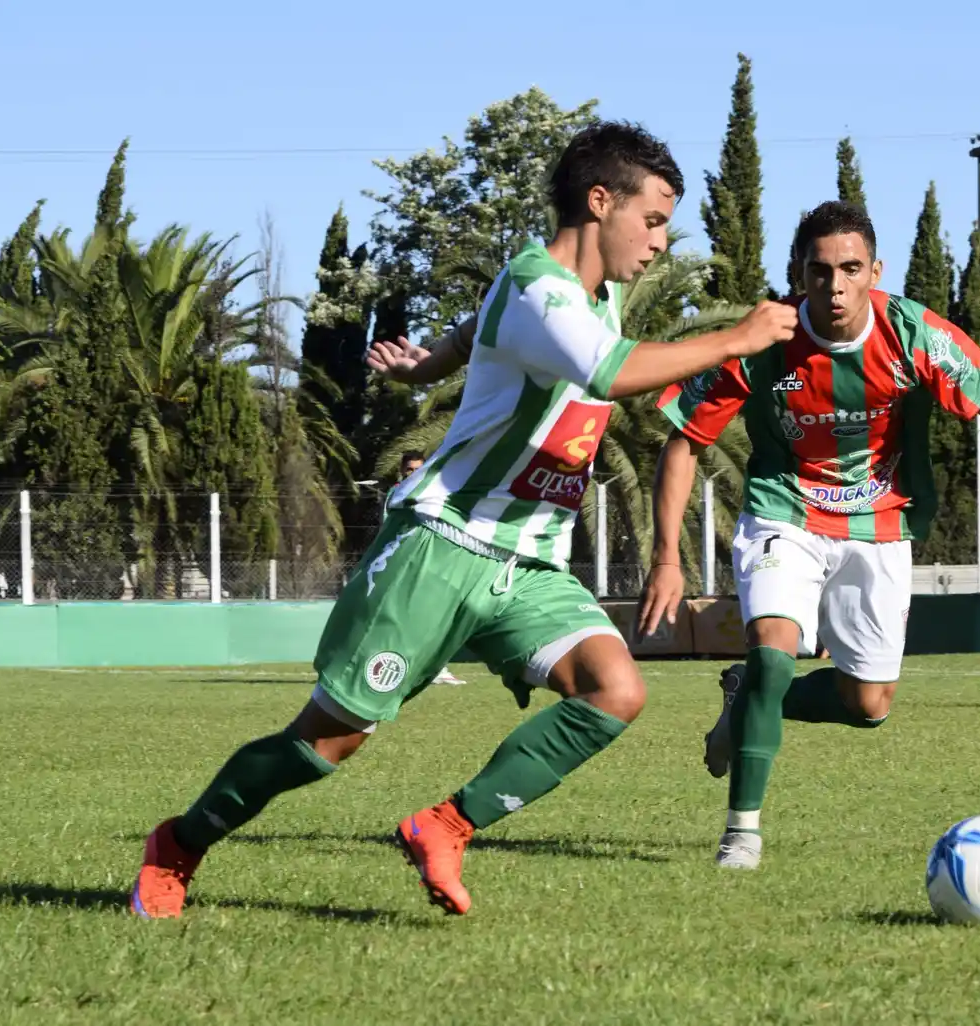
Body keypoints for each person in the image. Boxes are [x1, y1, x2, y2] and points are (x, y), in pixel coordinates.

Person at [131, 120, 799, 918]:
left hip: (527, 561)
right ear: (600, 202)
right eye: (652, 219)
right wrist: (737, 338)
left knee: (615, 691)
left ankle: (445, 826)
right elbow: (606, 369)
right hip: (444, 546)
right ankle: (179, 844)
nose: (660, 241)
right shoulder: (535, 285)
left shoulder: (597, 293)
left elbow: (480, 325)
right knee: (326, 742)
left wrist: (430, 365)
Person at [636, 200, 980, 870]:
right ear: (799, 274)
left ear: (875, 271)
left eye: (850, 269)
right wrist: (666, 557)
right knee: (775, 652)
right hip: (784, 512)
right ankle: (741, 835)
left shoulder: (916, 335)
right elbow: (685, 442)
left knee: (868, 704)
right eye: (820, 270)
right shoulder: (762, 339)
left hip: (880, 523)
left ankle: (749, 700)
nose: (835, 285)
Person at [388, 450, 466, 686]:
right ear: (402, 471)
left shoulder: (436, 492)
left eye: (418, 469)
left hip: (431, 560)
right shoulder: (397, 494)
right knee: (404, 617)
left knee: (434, 614)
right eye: (409, 469)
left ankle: (435, 668)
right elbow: (389, 528)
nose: (413, 473)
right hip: (404, 561)